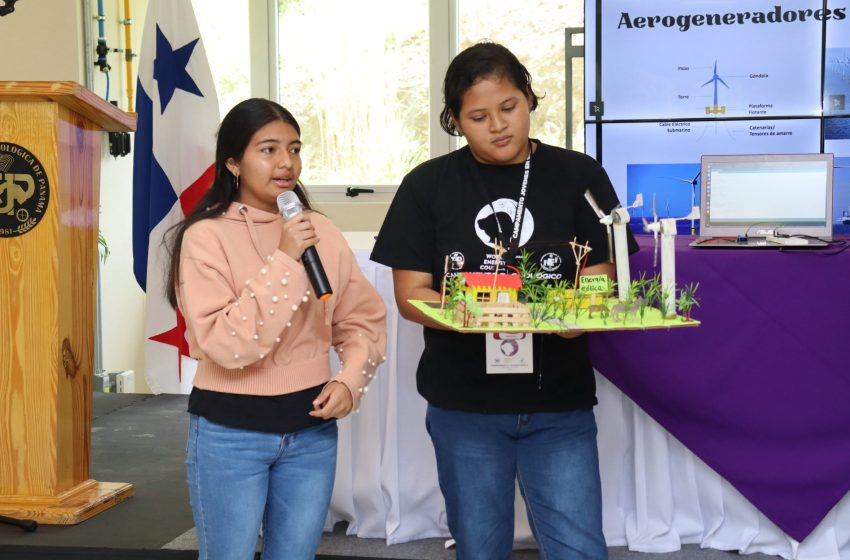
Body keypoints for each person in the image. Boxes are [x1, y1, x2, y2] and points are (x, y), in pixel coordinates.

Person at [370, 42, 637, 559]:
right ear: (454, 121)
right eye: (478, 116)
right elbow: (410, 295)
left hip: (558, 402)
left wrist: (576, 315)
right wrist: (481, 315)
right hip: (464, 405)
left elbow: (604, 271)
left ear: (531, 99)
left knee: (579, 548)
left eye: (509, 107)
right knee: (480, 548)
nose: (498, 126)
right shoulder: (427, 185)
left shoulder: (579, 175)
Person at [165, 98, 387, 560]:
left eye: (294, 148)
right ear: (232, 163)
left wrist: (350, 380)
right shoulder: (205, 236)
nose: (286, 162)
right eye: (268, 149)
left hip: (310, 433)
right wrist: (285, 259)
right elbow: (226, 344)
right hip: (230, 432)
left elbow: (361, 320)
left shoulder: (319, 231)